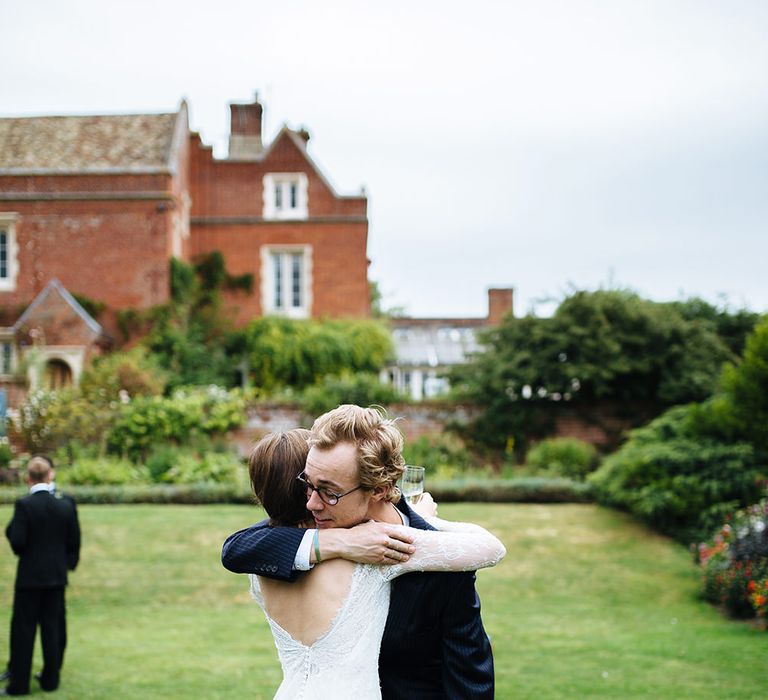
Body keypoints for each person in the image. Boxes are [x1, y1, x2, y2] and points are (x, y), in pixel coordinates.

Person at [223, 406, 503, 698]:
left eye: (330, 492)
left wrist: (430, 524)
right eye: (308, 485)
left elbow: (470, 678)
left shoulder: (438, 558)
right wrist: (343, 543)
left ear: (379, 489)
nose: (312, 504)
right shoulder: (305, 535)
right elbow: (236, 548)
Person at [3, 455, 80, 696]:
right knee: (52, 629)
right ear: (50, 476)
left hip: (29, 579)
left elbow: (17, 543)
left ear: (28, 478)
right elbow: (74, 540)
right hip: (56, 578)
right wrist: (65, 566)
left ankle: (19, 684)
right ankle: (50, 680)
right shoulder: (65, 504)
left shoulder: (25, 505)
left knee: (23, 631)